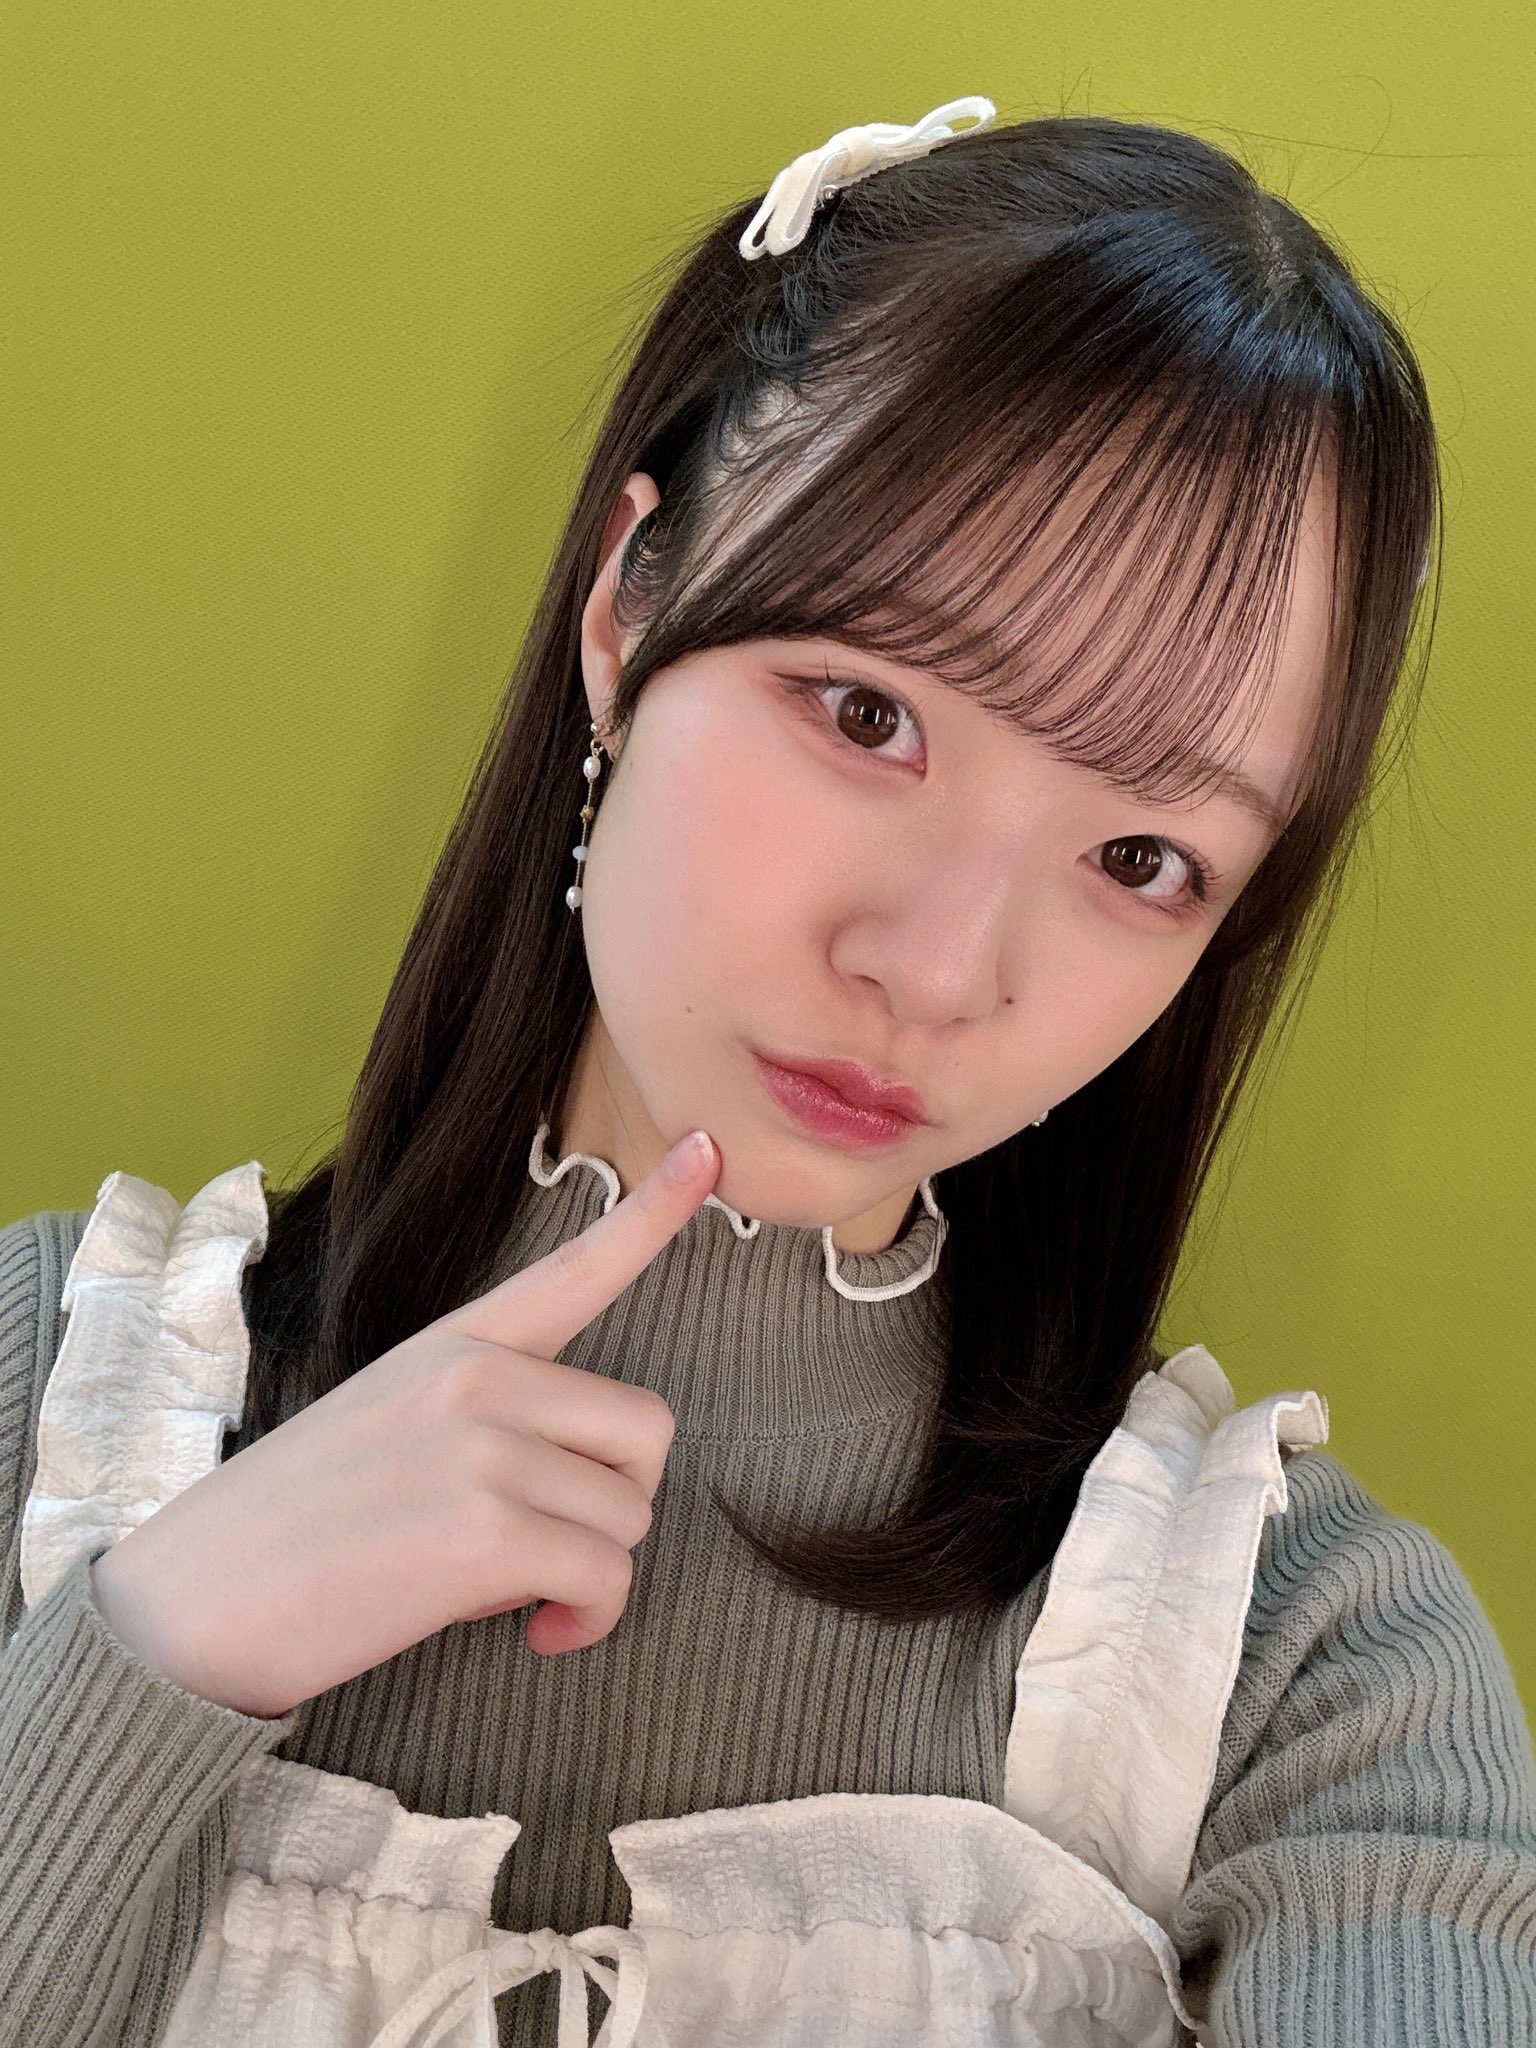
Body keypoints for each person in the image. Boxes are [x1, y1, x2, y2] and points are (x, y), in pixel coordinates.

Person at [2, 92, 1533, 2048]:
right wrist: (147, 1660)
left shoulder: (1311, 1667)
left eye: (1141, 858)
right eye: (868, 713)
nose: (938, 967)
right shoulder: (49, 1397)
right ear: (627, 614)